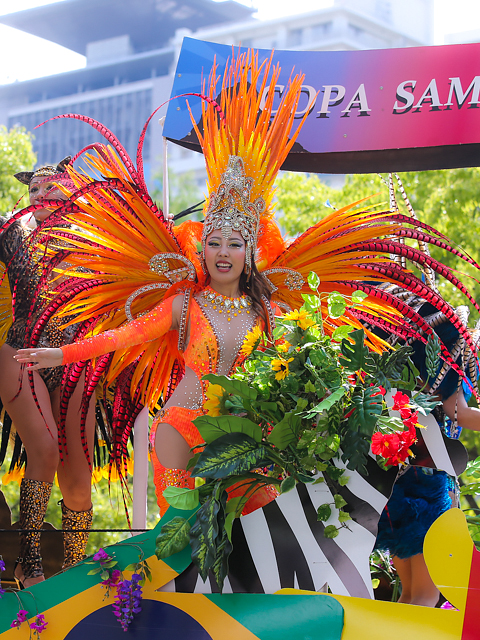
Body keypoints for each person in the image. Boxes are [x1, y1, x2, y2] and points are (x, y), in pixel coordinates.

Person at [14, 50, 480, 528]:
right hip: (181, 431)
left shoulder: (270, 311)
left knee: (261, 539)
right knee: (183, 539)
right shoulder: (184, 304)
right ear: (200, 249)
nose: (221, 252)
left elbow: (309, 362)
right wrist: (60, 355)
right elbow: (120, 337)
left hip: (249, 440)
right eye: (213, 241)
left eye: (233, 243)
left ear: (249, 252)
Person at [0, 159, 95, 588]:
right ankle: (29, 561)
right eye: (34, 190)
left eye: (50, 188)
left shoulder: (95, 243)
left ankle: (75, 568)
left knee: (77, 480)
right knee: (43, 447)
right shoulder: (13, 235)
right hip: (21, 356)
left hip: (74, 359)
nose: (40, 196)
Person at [375, 299, 480, 606]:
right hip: (424, 485)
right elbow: (458, 412)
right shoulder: (444, 348)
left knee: (410, 591)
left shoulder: (403, 348)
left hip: (394, 478)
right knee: (425, 592)